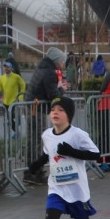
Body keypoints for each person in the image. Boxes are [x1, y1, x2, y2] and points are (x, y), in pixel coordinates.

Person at [26, 96, 107, 219]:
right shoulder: (47, 134)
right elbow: (49, 152)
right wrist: (37, 163)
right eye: (53, 109)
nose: (55, 112)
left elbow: (96, 155)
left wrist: (72, 151)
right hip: (56, 188)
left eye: (61, 110)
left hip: (76, 190)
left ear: (69, 115)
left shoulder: (77, 135)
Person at [25, 47, 68, 182]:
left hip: (32, 107)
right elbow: (53, 95)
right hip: (37, 109)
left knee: (34, 140)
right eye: (62, 61)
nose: (63, 64)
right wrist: (62, 90)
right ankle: (34, 172)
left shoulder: (41, 68)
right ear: (57, 61)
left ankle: (32, 170)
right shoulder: (50, 73)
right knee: (38, 140)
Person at [0, 60, 27, 134]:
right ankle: (17, 132)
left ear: (11, 68)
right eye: (5, 67)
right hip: (6, 101)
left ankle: (18, 119)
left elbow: (23, 84)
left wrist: (20, 96)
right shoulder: (2, 78)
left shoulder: (16, 77)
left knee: (14, 115)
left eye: (8, 67)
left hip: (14, 101)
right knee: (9, 119)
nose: (6, 68)